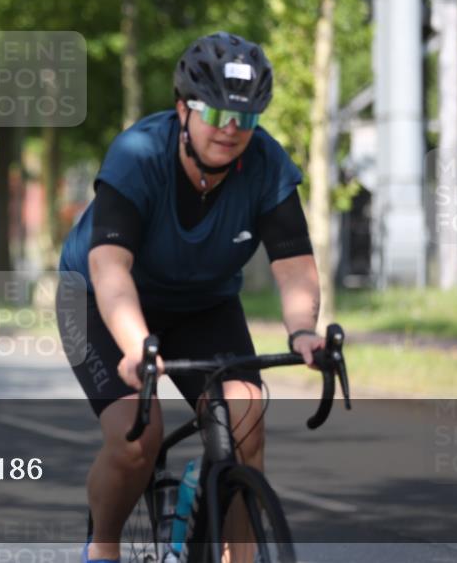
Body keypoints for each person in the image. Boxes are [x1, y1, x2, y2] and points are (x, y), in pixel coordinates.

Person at [57, 32, 325, 563]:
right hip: (97, 300)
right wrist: (136, 345)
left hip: (203, 303)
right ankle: (103, 547)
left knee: (246, 414)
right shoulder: (139, 153)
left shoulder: (267, 164)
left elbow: (294, 265)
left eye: (246, 118)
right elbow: (110, 267)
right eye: (216, 112)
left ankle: (238, 557)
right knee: (139, 435)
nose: (231, 129)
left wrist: (302, 329)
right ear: (183, 108)